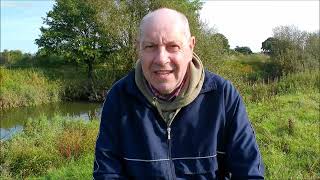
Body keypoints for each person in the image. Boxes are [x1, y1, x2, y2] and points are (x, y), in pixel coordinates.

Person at [93, 8, 264, 179]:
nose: (161, 58)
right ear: (139, 48)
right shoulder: (119, 98)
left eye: (173, 46)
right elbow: (107, 173)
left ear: (190, 47)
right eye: (150, 46)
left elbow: (249, 172)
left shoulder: (222, 96)